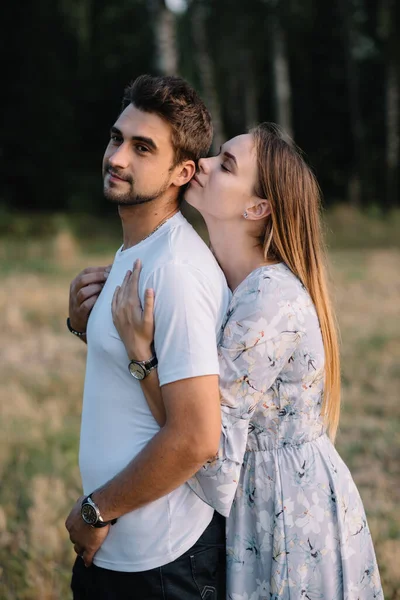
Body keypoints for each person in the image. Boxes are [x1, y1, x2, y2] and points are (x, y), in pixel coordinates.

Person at [113, 123, 384, 599]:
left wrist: (142, 357)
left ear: (256, 207)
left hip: (288, 513)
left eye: (227, 164)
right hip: (260, 503)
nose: (206, 164)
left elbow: (205, 446)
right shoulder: (224, 281)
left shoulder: (269, 299)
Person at [65, 74, 230, 600]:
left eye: (142, 148)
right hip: (119, 551)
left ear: (183, 171)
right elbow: (145, 375)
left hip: (164, 563)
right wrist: (81, 325)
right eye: (117, 139)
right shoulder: (136, 250)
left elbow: (197, 437)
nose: (117, 158)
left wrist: (96, 509)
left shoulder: (175, 269)